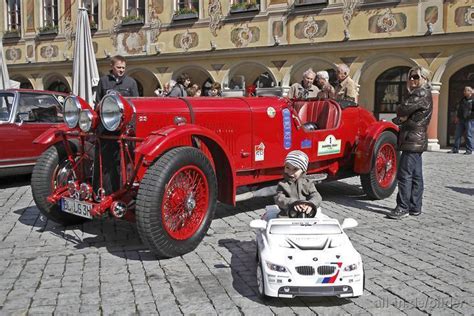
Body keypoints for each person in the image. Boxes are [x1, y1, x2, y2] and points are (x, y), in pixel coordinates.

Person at [388, 66, 433, 220]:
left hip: (412, 138)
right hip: (415, 138)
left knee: (404, 174)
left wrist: (403, 114)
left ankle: (403, 207)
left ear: (425, 79)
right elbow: (402, 115)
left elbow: (401, 110)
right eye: (411, 77)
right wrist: (403, 117)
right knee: (416, 175)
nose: (412, 80)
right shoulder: (423, 93)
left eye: (416, 77)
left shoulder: (420, 92)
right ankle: (415, 207)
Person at [275, 150, 322, 218]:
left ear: (303, 170)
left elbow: (316, 196)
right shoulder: (282, 184)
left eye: (295, 169)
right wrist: (291, 202)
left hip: (306, 213)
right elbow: (279, 198)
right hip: (287, 214)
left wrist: (311, 204)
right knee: (279, 224)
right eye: (287, 167)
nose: (291, 172)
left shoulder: (308, 183)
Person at [448, 86, 473, 155]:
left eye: (466, 91)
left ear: (470, 92)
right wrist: (457, 117)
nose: (464, 92)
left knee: (469, 135)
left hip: (470, 120)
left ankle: (469, 150)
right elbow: (459, 109)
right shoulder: (462, 100)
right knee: (457, 135)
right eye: (464, 90)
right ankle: (455, 149)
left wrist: (470, 116)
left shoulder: (473, 100)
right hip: (461, 119)